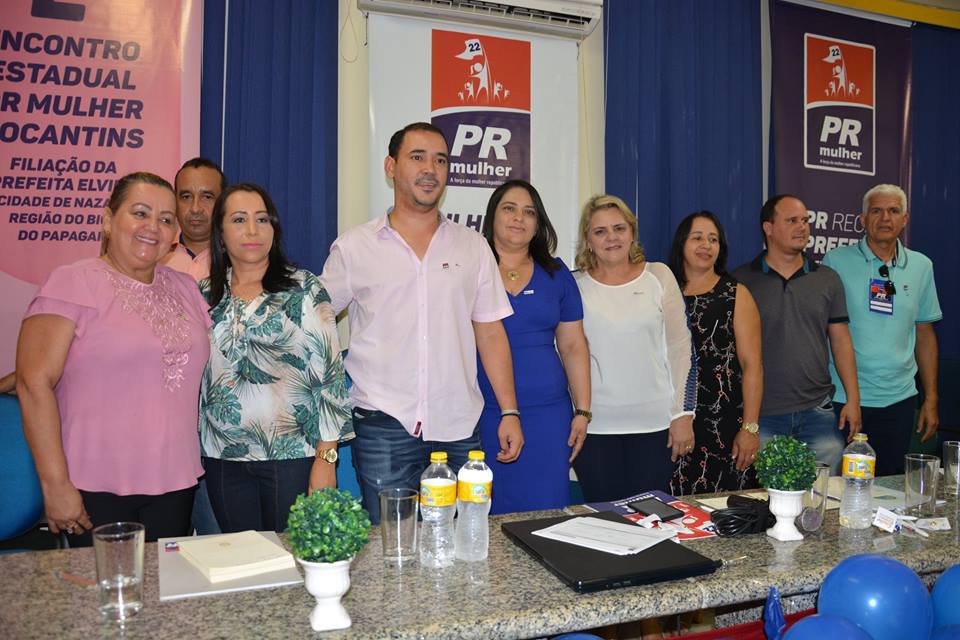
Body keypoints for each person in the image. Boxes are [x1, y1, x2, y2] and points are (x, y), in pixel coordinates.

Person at [320, 122, 522, 523]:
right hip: (383, 424)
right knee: (392, 543)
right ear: (391, 167)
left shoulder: (473, 246)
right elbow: (317, 323)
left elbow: (490, 332)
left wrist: (510, 411)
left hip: (459, 425)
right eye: (417, 158)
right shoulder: (354, 247)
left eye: (440, 160)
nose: (430, 169)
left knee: (462, 539)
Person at [16, 172, 211, 545]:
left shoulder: (186, 288)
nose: (152, 227)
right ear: (108, 220)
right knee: (101, 584)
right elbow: (33, 382)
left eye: (166, 219)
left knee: (161, 582)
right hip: (93, 486)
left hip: (175, 481)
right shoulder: (73, 281)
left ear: (174, 234)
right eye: (140, 213)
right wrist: (55, 484)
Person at [198, 183, 352, 533]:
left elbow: (330, 377)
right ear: (220, 233)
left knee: (291, 556)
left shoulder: (304, 289)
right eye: (239, 220)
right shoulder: (203, 296)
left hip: (292, 457)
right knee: (242, 557)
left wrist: (327, 460)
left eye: (262, 219)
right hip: (222, 458)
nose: (253, 230)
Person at [572, 195, 695, 502]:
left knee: (650, 519)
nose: (611, 237)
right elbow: (566, 355)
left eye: (619, 228)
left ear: (632, 232)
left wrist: (683, 414)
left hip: (655, 426)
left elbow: (681, 350)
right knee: (604, 521)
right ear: (588, 240)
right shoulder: (573, 285)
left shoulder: (659, 275)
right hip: (595, 429)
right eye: (600, 231)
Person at [478, 180, 590, 514]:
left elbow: (573, 345)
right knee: (487, 513)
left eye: (529, 212)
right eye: (509, 209)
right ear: (492, 216)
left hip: (549, 416)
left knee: (546, 514)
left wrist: (583, 411)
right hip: (483, 413)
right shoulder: (471, 270)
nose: (519, 218)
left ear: (538, 223)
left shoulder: (557, 274)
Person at [732, 195, 861, 470]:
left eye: (805, 220)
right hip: (762, 414)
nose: (802, 227)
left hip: (817, 411)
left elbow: (841, 342)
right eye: (792, 220)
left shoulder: (827, 279)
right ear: (768, 228)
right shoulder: (740, 281)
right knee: (769, 495)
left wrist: (853, 400)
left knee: (824, 493)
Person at [822, 184, 942, 476]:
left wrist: (931, 398)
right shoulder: (835, 261)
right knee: (841, 486)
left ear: (905, 219)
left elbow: (925, 334)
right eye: (876, 211)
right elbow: (823, 329)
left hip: (899, 399)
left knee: (888, 486)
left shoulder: (921, 266)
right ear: (863, 219)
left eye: (893, 211)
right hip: (844, 398)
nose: (885, 218)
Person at [668, 211, 763, 495]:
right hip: (671, 419)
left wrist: (750, 428)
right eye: (697, 237)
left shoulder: (736, 293)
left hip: (724, 422)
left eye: (713, 239)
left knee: (723, 505)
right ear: (681, 243)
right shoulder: (664, 291)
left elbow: (752, 365)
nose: (706, 245)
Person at [162, 157, 227, 280]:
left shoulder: (239, 260)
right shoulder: (154, 256)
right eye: (186, 197)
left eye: (207, 197)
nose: (195, 208)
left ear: (223, 203)